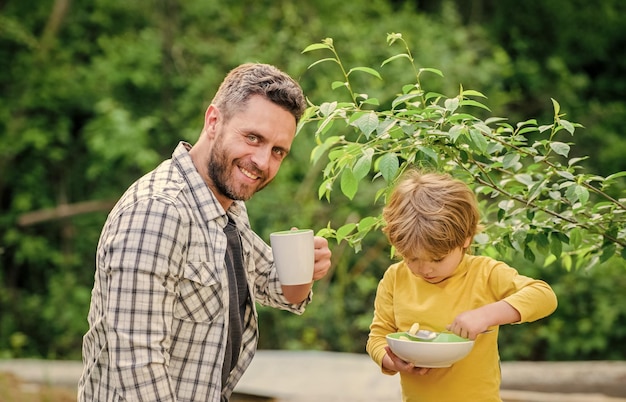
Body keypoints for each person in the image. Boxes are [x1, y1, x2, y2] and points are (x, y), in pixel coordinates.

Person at [78, 63, 332, 402]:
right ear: (214, 121)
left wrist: (307, 265)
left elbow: (277, 288)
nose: (262, 161)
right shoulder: (159, 210)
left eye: (277, 151)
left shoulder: (226, 207)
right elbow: (138, 366)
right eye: (252, 137)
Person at [366, 169, 557, 402]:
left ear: (465, 239)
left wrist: (488, 314)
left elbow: (543, 295)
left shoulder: (484, 273)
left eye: (438, 259)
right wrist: (391, 360)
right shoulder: (396, 278)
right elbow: (378, 336)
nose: (425, 269)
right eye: (411, 258)